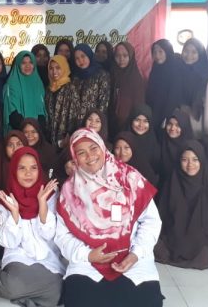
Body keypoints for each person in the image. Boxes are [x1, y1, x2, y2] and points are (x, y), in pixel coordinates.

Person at [54, 128, 163, 307]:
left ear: (102, 147)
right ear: (74, 158)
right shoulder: (69, 191)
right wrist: (88, 255)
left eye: (93, 148)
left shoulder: (130, 178)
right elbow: (62, 235)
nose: (90, 156)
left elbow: (151, 221)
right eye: (81, 153)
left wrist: (136, 253)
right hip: (88, 262)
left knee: (147, 302)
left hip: (132, 257)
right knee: (78, 301)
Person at [0, 147, 63, 307]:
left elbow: (50, 235)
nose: (28, 173)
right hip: (19, 258)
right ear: (13, 170)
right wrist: (15, 214)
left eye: (33, 168)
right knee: (14, 286)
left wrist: (42, 204)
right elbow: (8, 242)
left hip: (46, 257)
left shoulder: (49, 194)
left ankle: (20, 295)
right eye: (22, 168)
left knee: (57, 292)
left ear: (39, 169)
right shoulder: (5, 199)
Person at [154, 140, 208, 269]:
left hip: (200, 238)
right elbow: (163, 216)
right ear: (179, 161)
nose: (190, 164)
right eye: (184, 160)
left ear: (202, 160)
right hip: (174, 236)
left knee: (202, 260)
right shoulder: (172, 182)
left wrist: (202, 239)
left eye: (195, 160)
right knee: (157, 249)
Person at [179, 38, 208, 140]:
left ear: (200, 54)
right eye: (186, 51)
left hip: (196, 122)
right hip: (177, 121)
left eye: (194, 52)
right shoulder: (177, 71)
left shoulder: (206, 76)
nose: (189, 55)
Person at [3, 50, 47, 133]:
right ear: (18, 64)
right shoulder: (11, 84)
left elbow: (41, 111)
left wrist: (37, 130)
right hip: (17, 132)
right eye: (23, 63)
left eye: (31, 62)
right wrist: (28, 130)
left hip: (36, 132)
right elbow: (12, 112)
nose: (27, 66)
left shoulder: (38, 83)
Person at [109, 42, 146, 138]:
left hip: (129, 125)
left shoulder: (136, 78)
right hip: (112, 123)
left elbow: (138, 107)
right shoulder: (112, 75)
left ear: (131, 56)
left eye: (125, 55)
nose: (121, 59)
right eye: (117, 56)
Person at [146, 39, 183, 132]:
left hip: (167, 116)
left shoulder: (175, 71)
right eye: (154, 52)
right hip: (154, 113)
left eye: (160, 52)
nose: (157, 55)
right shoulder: (155, 69)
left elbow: (174, 97)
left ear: (168, 51)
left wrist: (166, 117)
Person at [45, 55, 79, 149]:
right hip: (50, 138)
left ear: (64, 68)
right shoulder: (49, 89)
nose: (54, 71)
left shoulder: (71, 88)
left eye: (58, 68)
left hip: (65, 139)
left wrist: (68, 136)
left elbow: (75, 115)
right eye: (51, 68)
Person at [72, 43, 111, 119]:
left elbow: (103, 103)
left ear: (89, 55)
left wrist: (95, 121)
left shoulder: (102, 75)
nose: (80, 60)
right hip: (75, 122)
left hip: (93, 122)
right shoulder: (75, 77)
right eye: (77, 58)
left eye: (83, 56)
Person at [158, 109, 193, 191]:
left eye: (178, 125)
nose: (172, 128)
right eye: (170, 124)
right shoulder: (160, 142)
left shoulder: (191, 148)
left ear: (184, 126)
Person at [0, 130, 28, 195]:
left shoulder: (34, 167)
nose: (15, 149)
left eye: (19, 144)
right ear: (5, 148)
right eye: (10, 145)